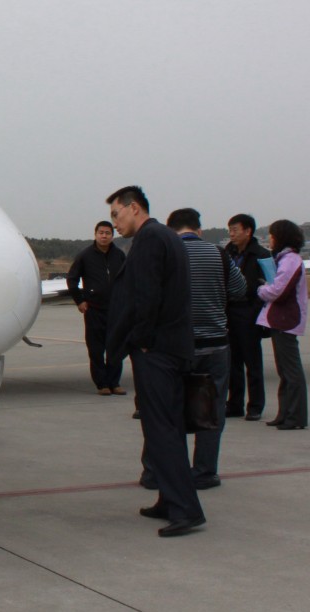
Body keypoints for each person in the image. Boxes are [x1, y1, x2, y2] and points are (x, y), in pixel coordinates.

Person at [105, 186, 205, 537]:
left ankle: (185, 509)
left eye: (116, 214)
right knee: (169, 428)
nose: (114, 223)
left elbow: (147, 296)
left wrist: (142, 341)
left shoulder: (149, 239)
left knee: (161, 430)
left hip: (157, 351)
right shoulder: (168, 236)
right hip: (173, 347)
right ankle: (168, 499)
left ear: (133, 208)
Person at [160, 208, 245, 490]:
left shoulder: (166, 254)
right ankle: (205, 471)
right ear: (198, 229)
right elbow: (239, 289)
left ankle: (160, 471)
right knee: (212, 410)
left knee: (167, 409)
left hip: (176, 346)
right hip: (215, 345)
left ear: (171, 230)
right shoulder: (219, 254)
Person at [256, 220, 308, 430]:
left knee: (291, 371)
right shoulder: (287, 259)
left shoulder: (290, 260)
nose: (270, 239)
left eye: (272, 235)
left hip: (286, 320)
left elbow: (278, 290)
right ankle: (285, 413)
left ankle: (295, 416)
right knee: (284, 371)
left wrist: (262, 290)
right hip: (282, 319)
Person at [67, 221, 127, 395]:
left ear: (112, 236)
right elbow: (72, 279)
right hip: (94, 310)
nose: (104, 236)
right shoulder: (85, 256)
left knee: (115, 347)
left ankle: (114, 382)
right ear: (95, 234)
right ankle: (102, 384)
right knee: (96, 349)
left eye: (107, 233)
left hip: (116, 310)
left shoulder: (119, 255)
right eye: (101, 233)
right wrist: (80, 301)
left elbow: (128, 278)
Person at [224, 214, 271, 420]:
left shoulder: (261, 255)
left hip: (250, 311)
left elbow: (270, 283)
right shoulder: (228, 253)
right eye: (230, 230)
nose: (231, 234)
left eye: (235, 230)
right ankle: (235, 404)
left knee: (253, 362)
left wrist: (256, 309)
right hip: (229, 311)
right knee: (232, 362)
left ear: (248, 231)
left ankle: (255, 406)